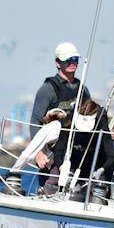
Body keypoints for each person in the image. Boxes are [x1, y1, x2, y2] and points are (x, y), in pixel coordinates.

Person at [30, 42, 90, 189]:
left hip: (75, 150)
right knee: (50, 187)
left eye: (75, 59)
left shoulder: (83, 89)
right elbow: (35, 121)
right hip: (52, 152)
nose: (72, 63)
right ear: (57, 63)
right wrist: (38, 153)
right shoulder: (47, 89)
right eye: (67, 60)